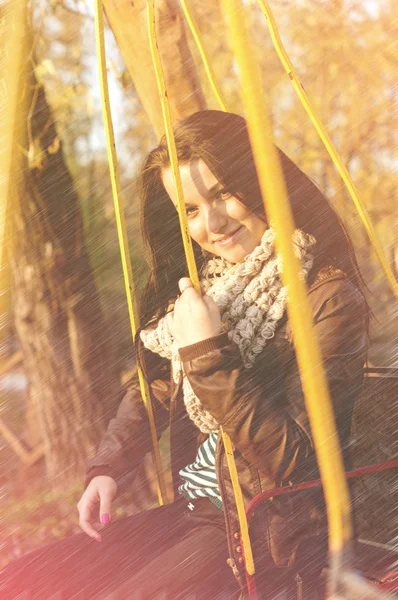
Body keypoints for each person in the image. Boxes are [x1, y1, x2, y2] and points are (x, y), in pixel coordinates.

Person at [0, 110, 368, 599]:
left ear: (260, 181)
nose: (210, 224)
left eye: (222, 195)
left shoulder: (327, 298)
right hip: (196, 511)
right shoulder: (214, 287)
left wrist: (207, 353)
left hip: (270, 531)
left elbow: (297, 459)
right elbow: (156, 386)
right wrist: (108, 467)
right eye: (190, 210)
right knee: (25, 580)